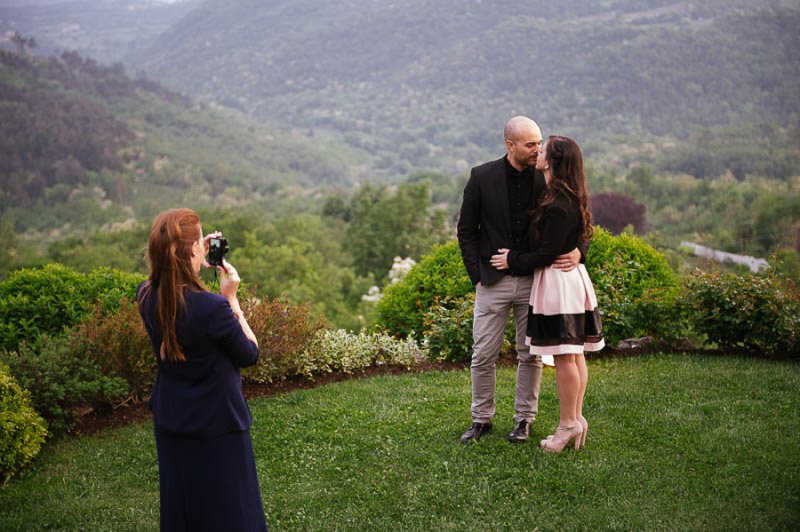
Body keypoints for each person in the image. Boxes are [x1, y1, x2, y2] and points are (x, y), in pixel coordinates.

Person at [136, 208, 268, 531]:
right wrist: (232, 299)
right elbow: (249, 352)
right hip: (217, 426)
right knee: (230, 512)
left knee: (184, 510)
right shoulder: (212, 308)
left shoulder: (145, 295)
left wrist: (192, 254)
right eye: (199, 241)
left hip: (172, 422)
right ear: (195, 248)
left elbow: (171, 291)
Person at [456, 117, 582, 444]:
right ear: (510, 145)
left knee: (530, 355)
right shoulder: (481, 177)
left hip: (534, 280)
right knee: (483, 354)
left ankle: (524, 420)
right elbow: (466, 231)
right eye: (530, 144)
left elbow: (578, 214)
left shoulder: (548, 178)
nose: (537, 150)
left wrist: (581, 251)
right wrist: (477, 276)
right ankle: (481, 419)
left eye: (539, 143)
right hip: (491, 281)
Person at [491, 135, 605, 452]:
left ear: (554, 161)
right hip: (567, 280)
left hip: (558, 281)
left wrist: (510, 258)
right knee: (573, 354)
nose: (538, 151)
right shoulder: (569, 195)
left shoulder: (557, 205)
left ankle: (568, 424)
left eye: (544, 149)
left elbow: (545, 253)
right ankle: (576, 420)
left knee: (565, 355)